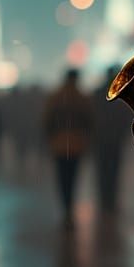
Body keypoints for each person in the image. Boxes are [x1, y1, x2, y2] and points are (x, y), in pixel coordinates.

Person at [42, 69, 94, 225]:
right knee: (73, 178)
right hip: (76, 144)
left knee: (62, 179)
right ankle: (69, 210)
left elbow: (47, 121)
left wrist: (51, 139)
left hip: (59, 144)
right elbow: (89, 122)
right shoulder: (82, 98)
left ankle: (66, 209)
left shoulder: (55, 97)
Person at [93, 66, 131, 214]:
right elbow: (125, 117)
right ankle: (111, 200)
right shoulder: (121, 94)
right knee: (114, 170)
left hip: (101, 139)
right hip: (115, 139)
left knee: (102, 171)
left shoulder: (97, 94)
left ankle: (104, 200)